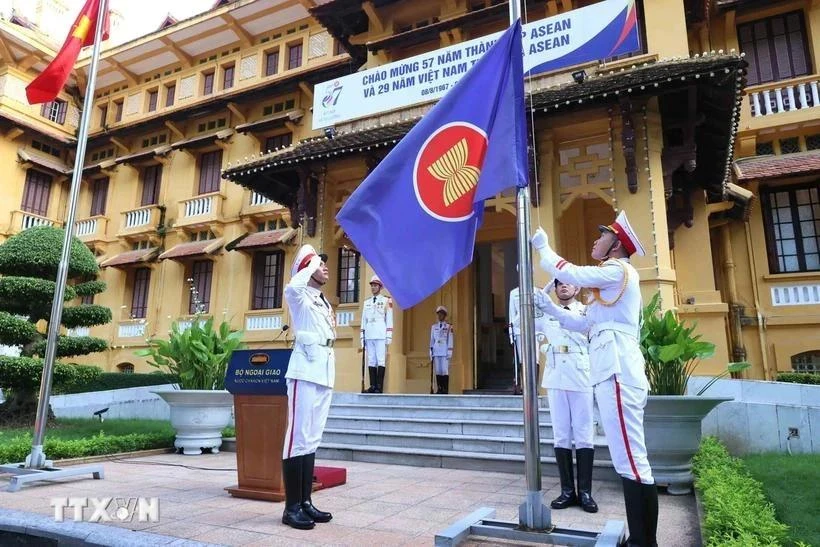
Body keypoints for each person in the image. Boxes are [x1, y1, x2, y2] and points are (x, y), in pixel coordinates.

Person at [531, 211, 658, 547]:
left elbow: (572, 273)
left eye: (601, 236)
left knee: (631, 459)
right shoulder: (608, 285)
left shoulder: (617, 270)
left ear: (616, 244)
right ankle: (641, 540)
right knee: (627, 458)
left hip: (617, 371)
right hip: (610, 373)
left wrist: (544, 250)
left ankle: (644, 542)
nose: (595, 240)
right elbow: (580, 322)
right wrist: (548, 307)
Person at [281, 244, 335, 530]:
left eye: (323, 264)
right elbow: (292, 286)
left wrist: (313, 263)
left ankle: (304, 502)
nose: (325, 267)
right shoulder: (299, 296)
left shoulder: (321, 300)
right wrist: (309, 263)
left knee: (311, 439)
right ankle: (290, 508)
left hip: (323, 371)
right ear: (307, 270)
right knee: (297, 438)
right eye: (318, 264)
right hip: (304, 372)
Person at [539, 279, 598, 513]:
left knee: (584, 435)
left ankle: (585, 493)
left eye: (568, 284)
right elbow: (519, 324)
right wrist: (541, 295)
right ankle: (567, 491)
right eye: (559, 284)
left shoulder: (586, 311)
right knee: (561, 434)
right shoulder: (546, 315)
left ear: (577, 288)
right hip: (556, 377)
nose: (563, 286)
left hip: (581, 375)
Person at [360, 275, 393, 393]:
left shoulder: (386, 300)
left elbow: (389, 318)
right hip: (369, 333)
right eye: (372, 285)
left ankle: (379, 386)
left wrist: (389, 335)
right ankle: (372, 386)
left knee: (381, 360)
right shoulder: (366, 302)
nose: (373, 288)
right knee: (371, 360)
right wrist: (362, 336)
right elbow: (364, 320)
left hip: (380, 333)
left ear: (380, 287)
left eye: (375, 285)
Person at [429, 306, 454, 394]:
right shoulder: (434, 327)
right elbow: (432, 340)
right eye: (439, 314)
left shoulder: (449, 327)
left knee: (444, 370)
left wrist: (449, 352)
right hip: (436, 351)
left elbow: (450, 340)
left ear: (445, 316)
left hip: (444, 351)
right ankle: (439, 388)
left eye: (442, 314)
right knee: (438, 370)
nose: (440, 316)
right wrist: (430, 351)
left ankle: (445, 389)